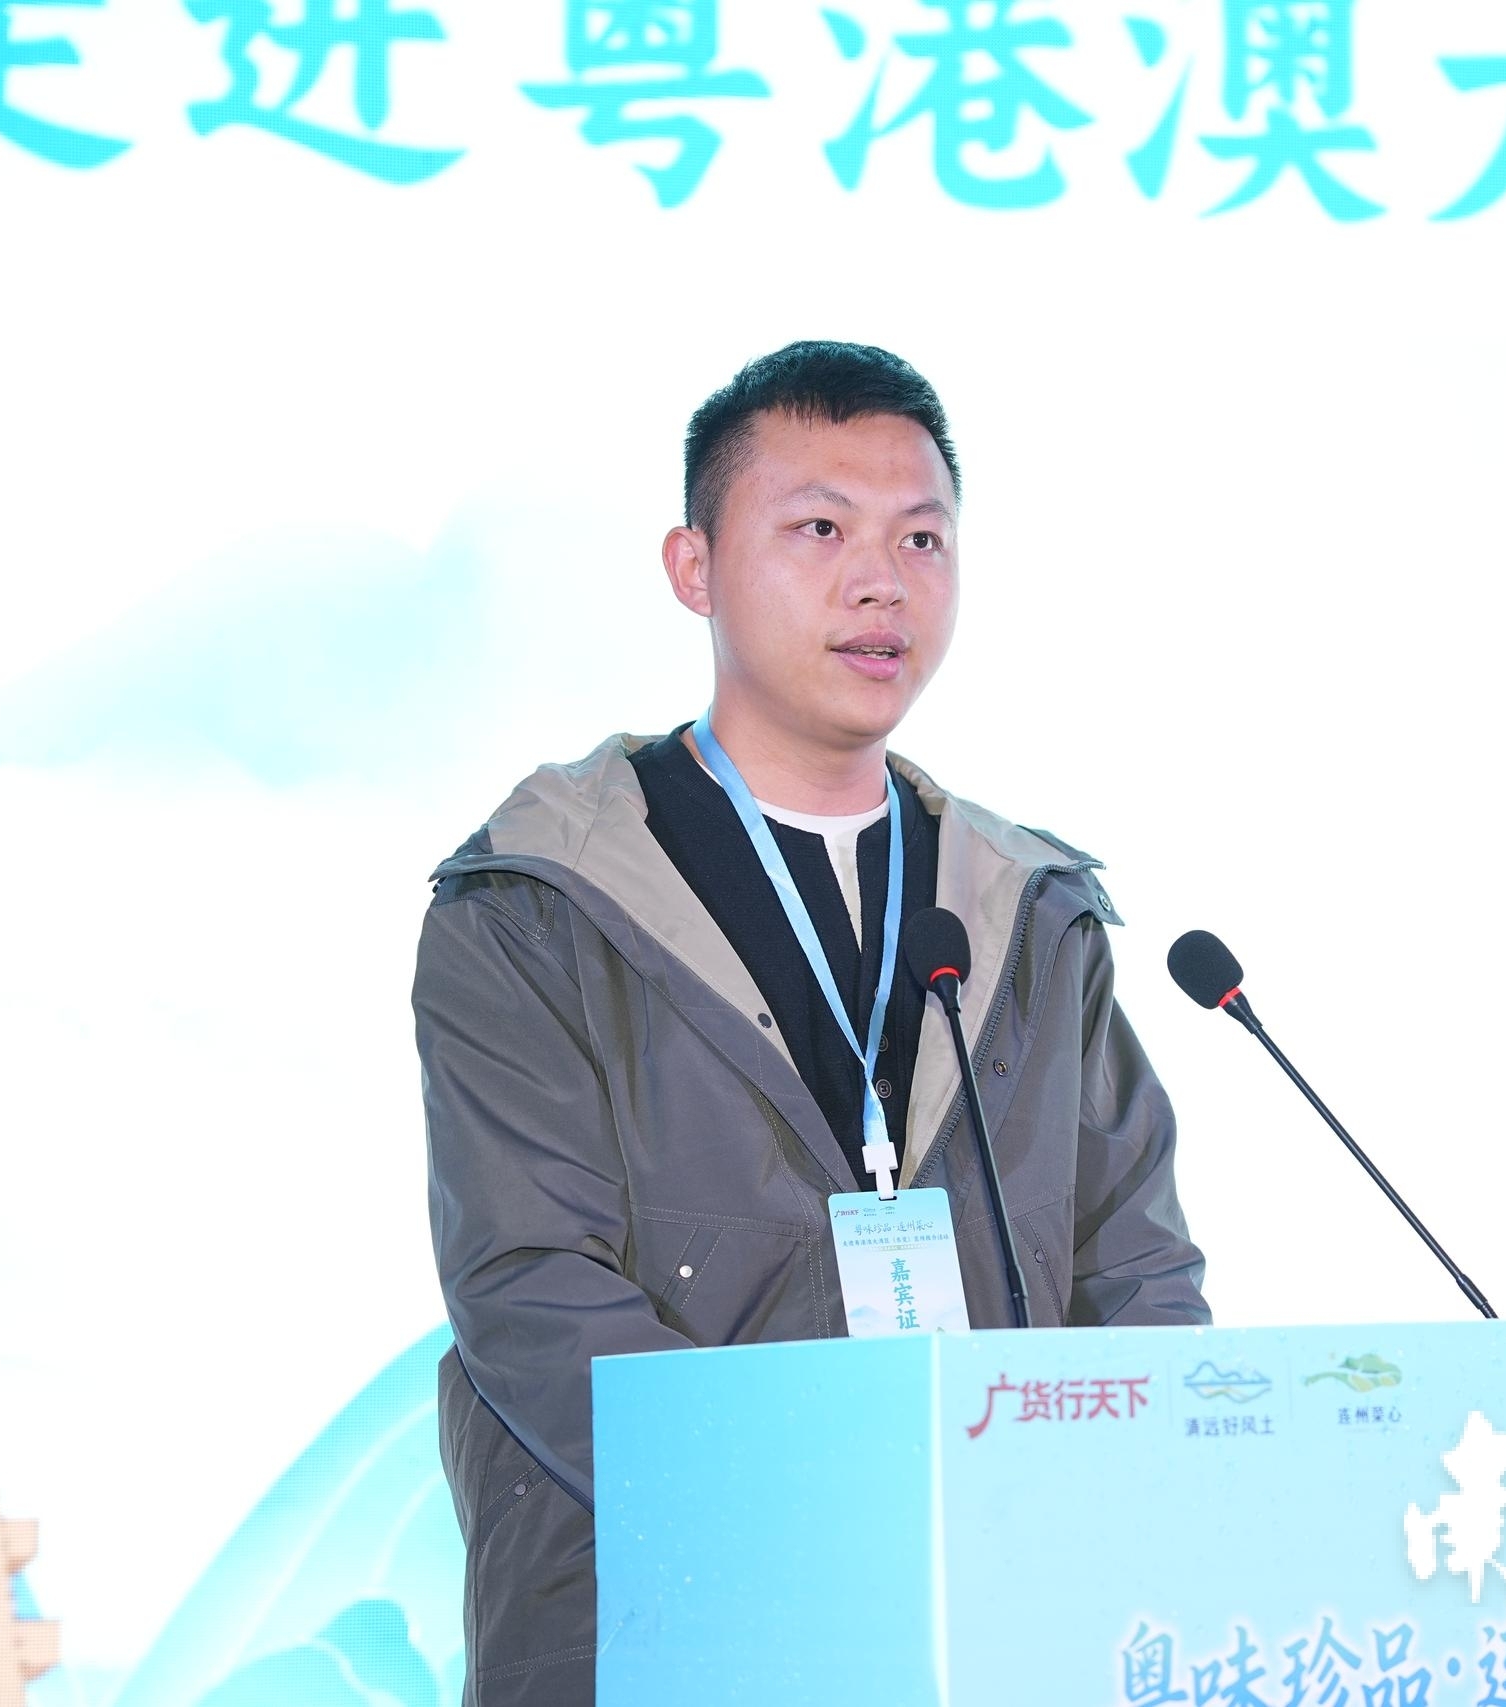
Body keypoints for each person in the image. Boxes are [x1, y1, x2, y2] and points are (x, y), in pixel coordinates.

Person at [413, 340, 1211, 1705]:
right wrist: (821, 1521)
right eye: (821, 530)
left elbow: (1136, 1269)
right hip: (665, 1623)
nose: (881, 581)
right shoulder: (537, 905)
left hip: (996, 1627)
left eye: (921, 538)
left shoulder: (1030, 911)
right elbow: (531, 1284)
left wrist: (1110, 1512)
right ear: (694, 567)